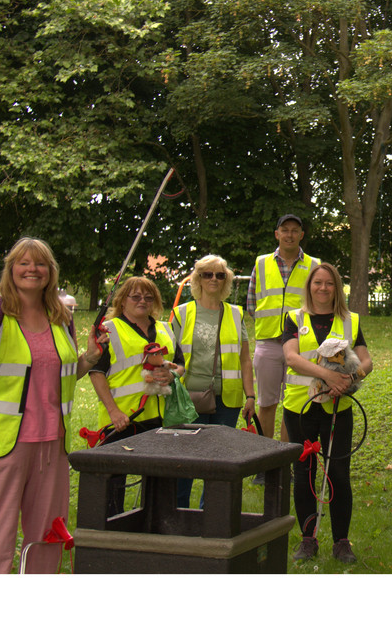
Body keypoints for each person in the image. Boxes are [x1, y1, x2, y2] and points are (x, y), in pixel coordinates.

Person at [0, 237, 102, 573]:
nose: (32, 269)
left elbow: (61, 375)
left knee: (48, 536)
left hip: (52, 446)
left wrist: (89, 357)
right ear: (11, 269)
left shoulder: (61, 315)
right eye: (24, 262)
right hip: (3, 445)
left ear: (50, 272)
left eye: (40, 263)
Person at [281, 262, 373, 563]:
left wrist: (349, 379)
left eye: (329, 283)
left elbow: (366, 361)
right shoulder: (295, 318)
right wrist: (327, 375)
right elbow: (292, 358)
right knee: (305, 473)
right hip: (300, 408)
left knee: (338, 474)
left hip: (338, 408)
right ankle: (308, 539)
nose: (323, 288)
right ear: (309, 286)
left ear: (337, 288)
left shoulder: (350, 320)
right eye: (317, 283)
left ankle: (341, 541)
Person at [88, 276, 184, 514]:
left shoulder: (164, 328)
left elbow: (180, 365)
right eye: (136, 296)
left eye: (149, 297)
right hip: (122, 419)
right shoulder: (109, 330)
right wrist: (113, 411)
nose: (143, 301)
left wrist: (173, 376)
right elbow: (96, 372)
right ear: (122, 301)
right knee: (113, 485)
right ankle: (112, 538)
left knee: (159, 483)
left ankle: (154, 530)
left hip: (160, 418)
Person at [171, 255, 256, 508]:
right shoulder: (181, 313)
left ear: (227, 280)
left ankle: (211, 514)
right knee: (184, 461)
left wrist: (251, 396)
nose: (214, 279)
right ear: (197, 279)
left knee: (220, 463)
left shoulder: (235, 313)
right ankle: (180, 512)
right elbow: (169, 356)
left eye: (220, 275)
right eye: (207, 274)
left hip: (227, 400)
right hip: (188, 399)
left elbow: (245, 360)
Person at [246, 214, 319, 452]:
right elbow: (251, 303)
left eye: (294, 230)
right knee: (266, 403)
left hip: (300, 345)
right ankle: (265, 459)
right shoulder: (261, 263)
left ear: (301, 235)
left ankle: (285, 458)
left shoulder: (314, 265)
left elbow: (319, 302)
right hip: (268, 343)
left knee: (293, 403)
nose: (289, 234)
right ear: (277, 234)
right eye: (284, 230)